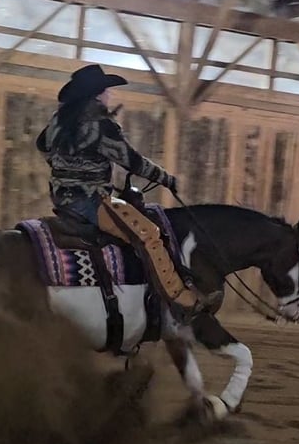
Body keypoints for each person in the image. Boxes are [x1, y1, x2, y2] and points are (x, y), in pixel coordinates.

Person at [36, 64, 223, 320]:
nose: (109, 95)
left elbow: (43, 146)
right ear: (96, 95)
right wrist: (165, 178)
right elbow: (132, 162)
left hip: (62, 199)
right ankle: (182, 301)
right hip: (90, 202)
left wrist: (65, 168)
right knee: (149, 233)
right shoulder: (101, 126)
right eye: (106, 91)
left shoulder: (58, 121)